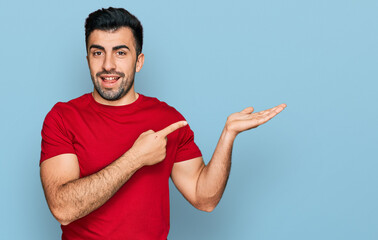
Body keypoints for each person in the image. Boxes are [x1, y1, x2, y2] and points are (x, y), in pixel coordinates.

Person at [40, 7, 286, 240]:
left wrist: (228, 135)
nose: (108, 65)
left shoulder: (167, 119)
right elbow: (63, 208)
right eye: (98, 53)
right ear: (88, 59)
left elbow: (204, 198)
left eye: (121, 52)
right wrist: (136, 158)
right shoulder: (63, 117)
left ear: (139, 61)